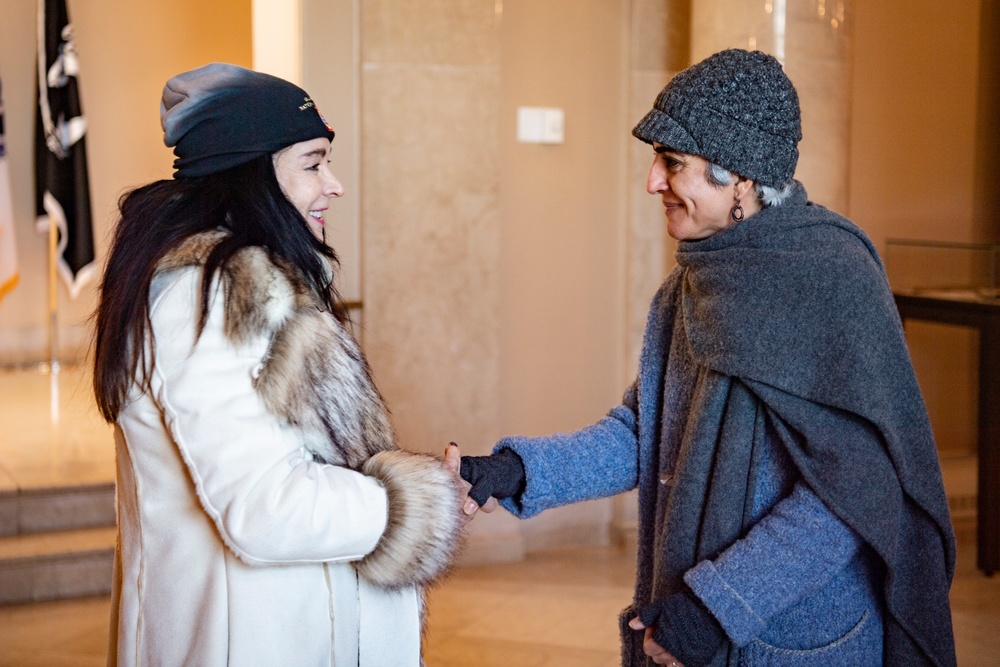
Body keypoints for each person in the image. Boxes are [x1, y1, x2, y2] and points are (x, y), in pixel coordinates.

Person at [459, 49, 956, 667]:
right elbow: (646, 432)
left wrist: (719, 604)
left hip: (797, 637)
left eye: (673, 163)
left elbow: (851, 495)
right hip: (699, 619)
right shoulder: (691, 285)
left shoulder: (832, 276)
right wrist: (517, 469)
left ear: (740, 176)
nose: (652, 181)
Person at [93, 63, 465, 666]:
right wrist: (416, 502)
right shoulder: (207, 296)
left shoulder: (237, 285)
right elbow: (265, 508)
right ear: (251, 175)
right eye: (313, 163)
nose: (334, 184)